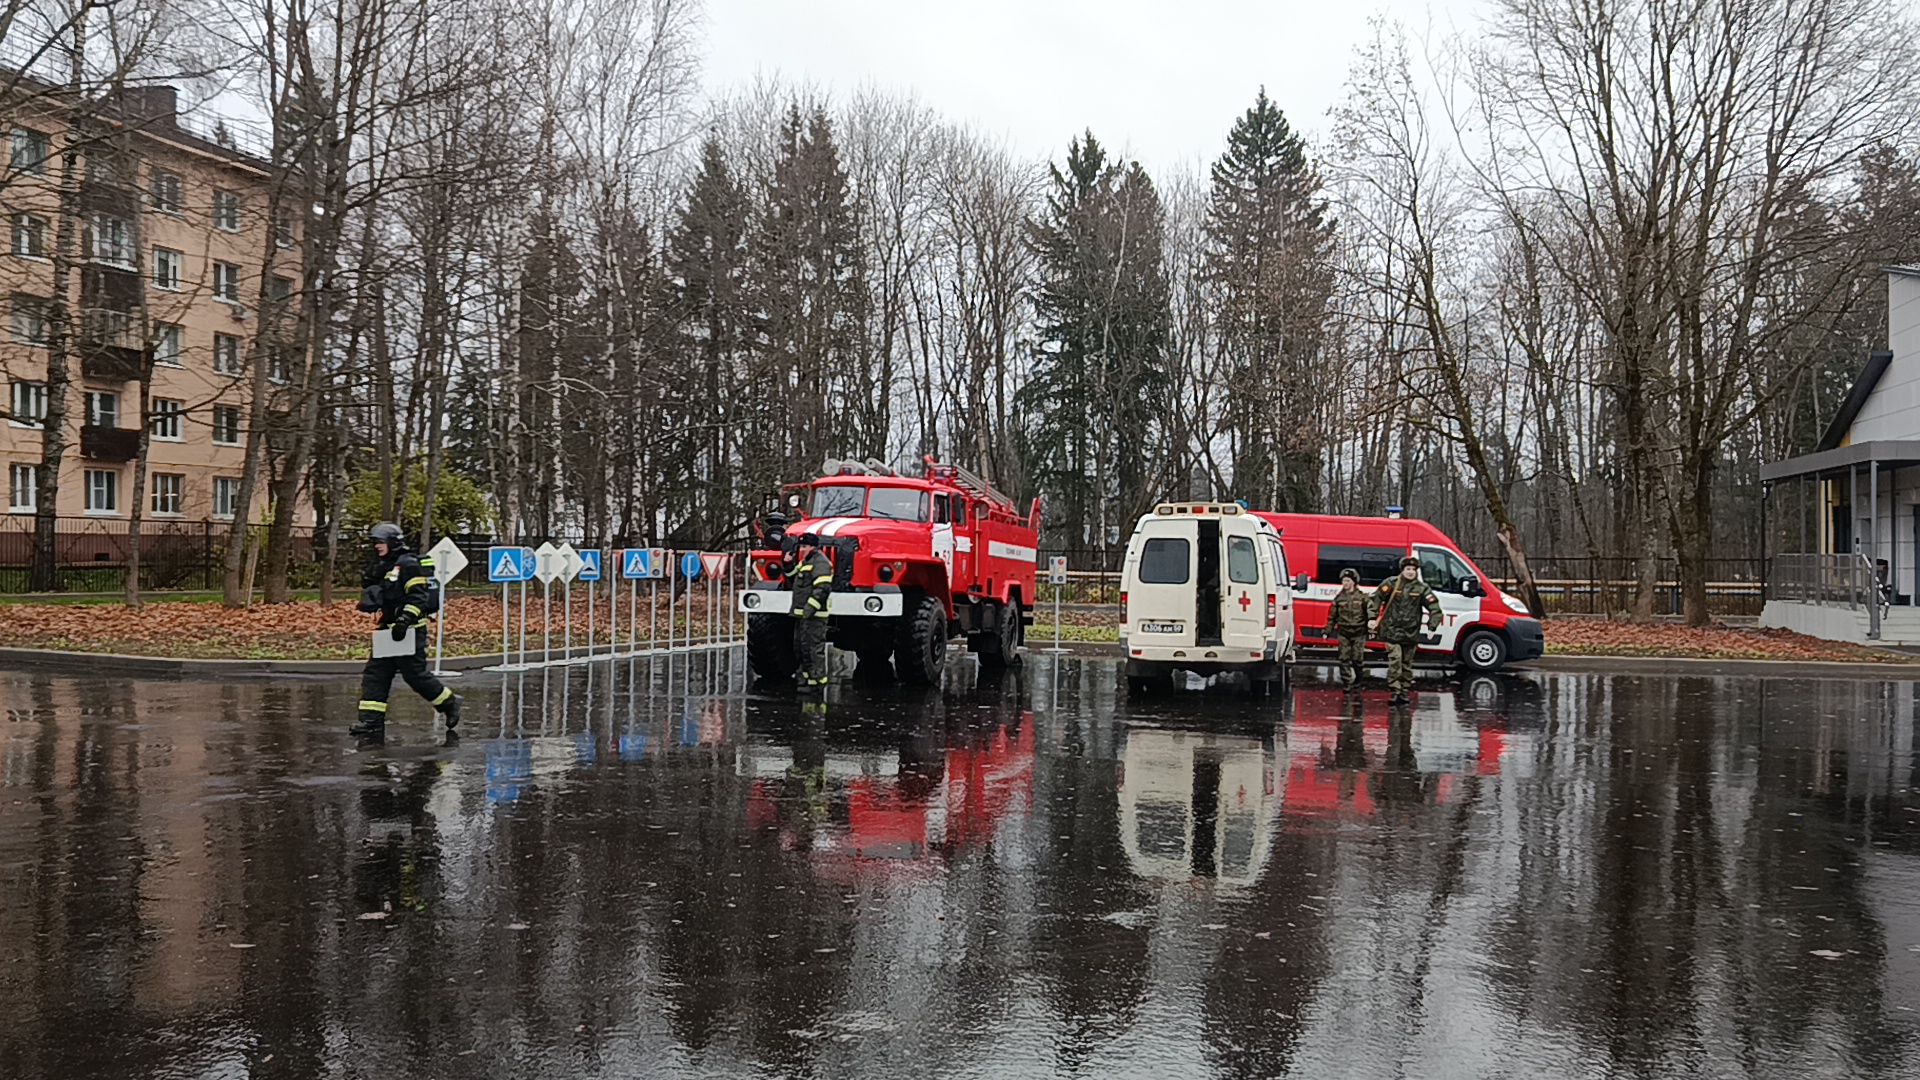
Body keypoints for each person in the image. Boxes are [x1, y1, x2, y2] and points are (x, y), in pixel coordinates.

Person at [350, 522, 461, 738]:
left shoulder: (409, 564)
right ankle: (371, 722)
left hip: (408, 630)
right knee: (376, 675)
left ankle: (449, 703)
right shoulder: (386, 566)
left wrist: (405, 620)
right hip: (387, 630)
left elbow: (418, 597)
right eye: (374, 542)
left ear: (392, 542)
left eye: (380, 542)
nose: (376, 546)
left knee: (415, 676)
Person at [1368, 555, 1442, 704]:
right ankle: (1395, 691)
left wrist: (1432, 626)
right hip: (1392, 631)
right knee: (1395, 660)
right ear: (1402, 570)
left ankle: (1404, 691)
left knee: (1406, 664)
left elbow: (1435, 608)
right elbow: (1376, 598)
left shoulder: (1422, 588)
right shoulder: (1391, 583)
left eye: (1413, 569)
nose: (1410, 572)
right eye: (1408, 569)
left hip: (1411, 633)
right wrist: (1372, 617)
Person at [790, 533, 835, 690]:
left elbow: (822, 590)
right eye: (801, 546)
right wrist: (788, 564)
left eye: (804, 546)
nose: (802, 549)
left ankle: (817, 684)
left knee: (813, 649)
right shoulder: (805, 562)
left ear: (813, 547)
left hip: (814, 616)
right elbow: (791, 577)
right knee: (801, 648)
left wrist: (808, 610)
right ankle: (807, 680)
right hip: (802, 614)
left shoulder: (821, 563)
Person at [1329, 567, 1372, 688]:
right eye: (1344, 581)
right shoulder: (1339, 598)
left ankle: (1359, 679)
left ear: (1354, 582)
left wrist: (1372, 627)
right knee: (1344, 658)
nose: (1345, 583)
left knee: (1357, 658)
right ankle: (1347, 682)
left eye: (1348, 581)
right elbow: (1332, 616)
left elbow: (1370, 613)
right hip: (1344, 632)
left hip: (1359, 632)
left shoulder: (1363, 597)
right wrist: (1328, 629)